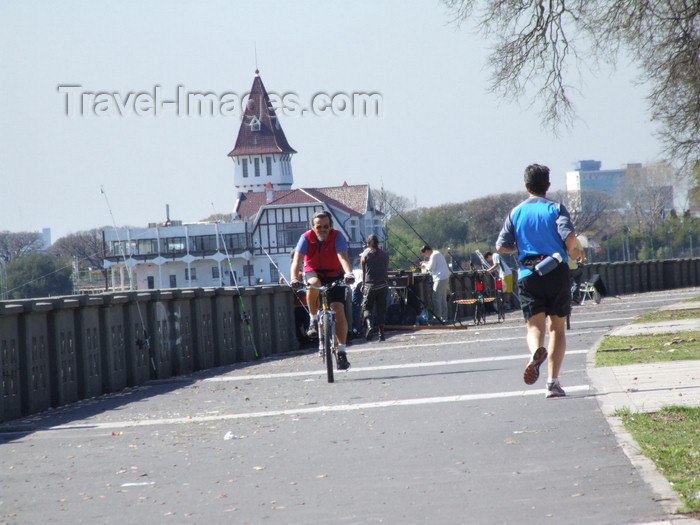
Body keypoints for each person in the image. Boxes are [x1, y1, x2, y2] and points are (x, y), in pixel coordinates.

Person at [496, 164, 582, 398]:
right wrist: (572, 251)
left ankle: (536, 351)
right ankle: (552, 383)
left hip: (528, 273)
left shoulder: (515, 212)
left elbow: (500, 245)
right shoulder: (556, 208)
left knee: (534, 327)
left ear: (526, 186)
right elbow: (570, 236)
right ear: (548, 186)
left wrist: (520, 248)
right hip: (556, 271)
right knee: (557, 329)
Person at [290, 210, 355, 370]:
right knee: (314, 283)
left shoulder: (337, 236)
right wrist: (294, 278)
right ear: (313, 227)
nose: (323, 229)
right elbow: (297, 261)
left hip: (335, 273)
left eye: (326, 226)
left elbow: (342, 257)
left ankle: (342, 352)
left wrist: (348, 273)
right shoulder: (305, 238)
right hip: (314, 271)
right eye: (319, 227)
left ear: (330, 226)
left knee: (338, 310)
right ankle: (313, 320)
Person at [361, 234, 390, 341]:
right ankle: (381, 334)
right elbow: (386, 269)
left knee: (366, 307)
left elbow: (363, 272)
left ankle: (369, 326)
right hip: (382, 284)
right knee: (381, 309)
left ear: (368, 244)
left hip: (370, 285)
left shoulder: (365, 255)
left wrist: (363, 284)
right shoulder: (385, 254)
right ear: (378, 243)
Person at [419, 245, 450, 324]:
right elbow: (434, 264)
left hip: (440, 278)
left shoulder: (433, 255)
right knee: (443, 298)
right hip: (445, 277)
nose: (425, 256)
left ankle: (437, 317)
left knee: (436, 298)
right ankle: (444, 317)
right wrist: (426, 262)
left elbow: (431, 268)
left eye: (424, 255)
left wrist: (424, 264)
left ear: (426, 251)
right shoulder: (437, 253)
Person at [568, 237, 587, 304]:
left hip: (563, 268)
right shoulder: (574, 239)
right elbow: (582, 251)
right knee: (578, 276)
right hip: (573, 267)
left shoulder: (557, 238)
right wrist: (582, 261)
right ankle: (575, 296)